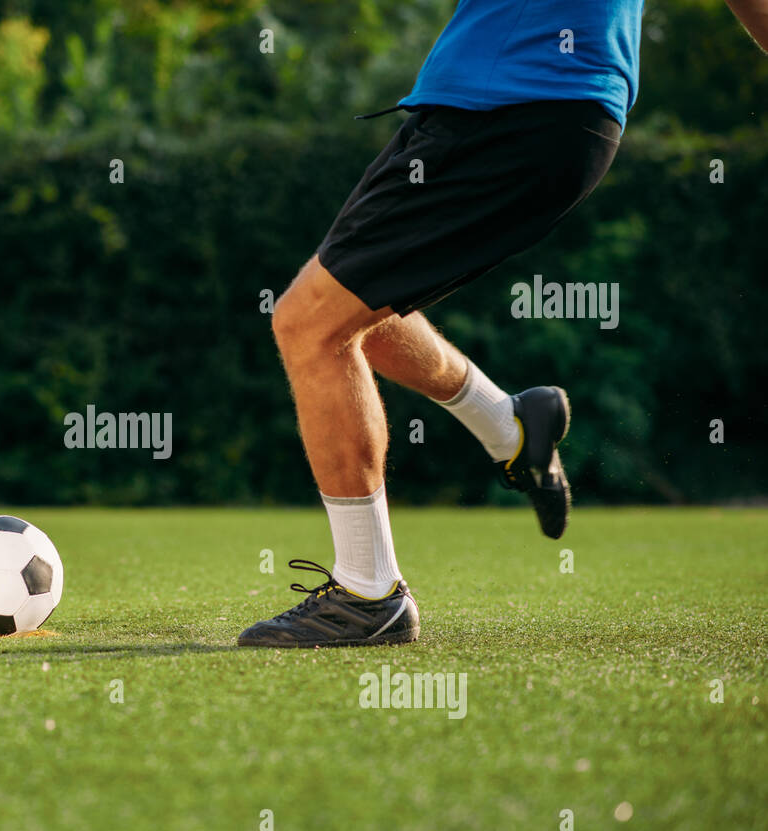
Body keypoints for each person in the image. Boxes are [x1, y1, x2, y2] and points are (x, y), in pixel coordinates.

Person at [238, 0, 768, 648]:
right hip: (544, 113)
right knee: (351, 311)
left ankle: (368, 591)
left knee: (307, 325)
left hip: (512, 106)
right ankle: (511, 424)